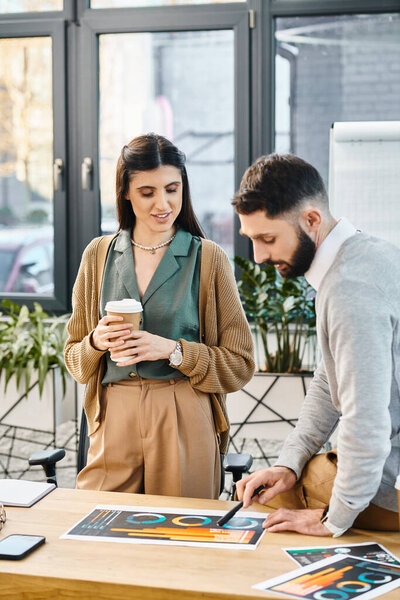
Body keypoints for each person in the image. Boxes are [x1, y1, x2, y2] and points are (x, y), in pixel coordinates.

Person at [64, 133, 254, 499]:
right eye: (147, 192)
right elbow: (75, 360)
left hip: (183, 410)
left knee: (182, 536)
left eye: (172, 188)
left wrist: (172, 350)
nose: (163, 203)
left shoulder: (209, 258)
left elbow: (240, 364)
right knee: (96, 529)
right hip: (113, 413)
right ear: (126, 193)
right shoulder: (99, 255)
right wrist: (95, 342)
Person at [233, 153, 400, 537]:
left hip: (390, 483)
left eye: (268, 238)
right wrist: (289, 463)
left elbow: (367, 421)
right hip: (385, 461)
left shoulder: (349, 289)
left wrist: (333, 519)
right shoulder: (366, 254)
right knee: (280, 484)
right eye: (252, 239)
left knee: (267, 508)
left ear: (311, 220)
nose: (258, 256)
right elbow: (329, 383)